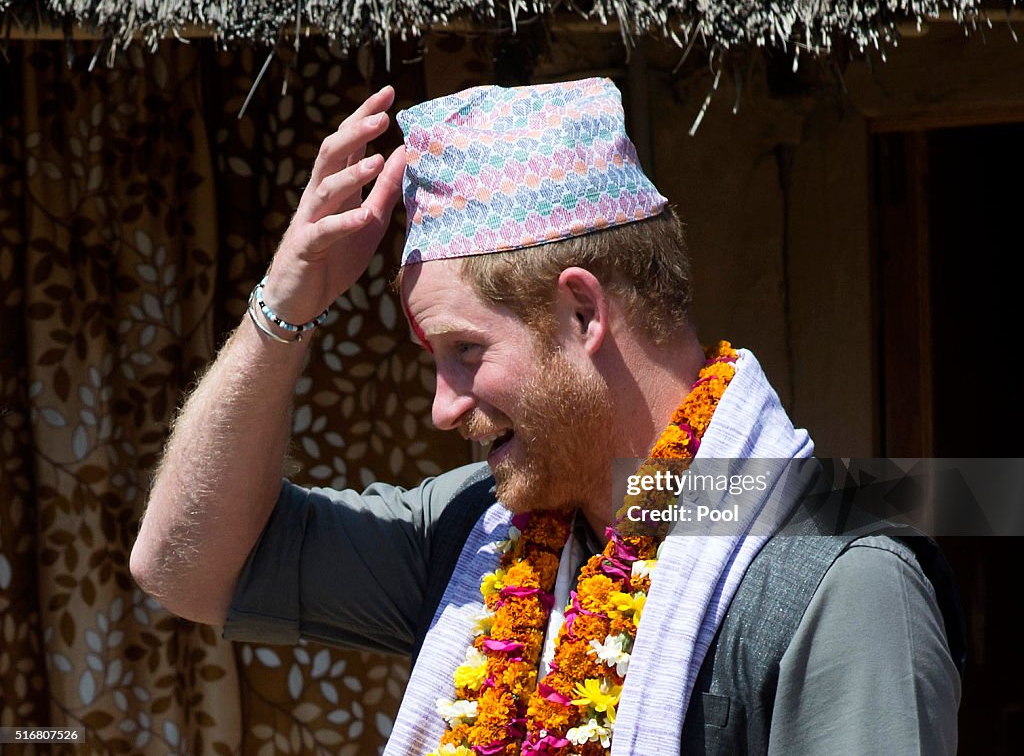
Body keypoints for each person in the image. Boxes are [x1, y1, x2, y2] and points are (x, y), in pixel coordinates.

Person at [131, 79, 962, 755]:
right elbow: (182, 565)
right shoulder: (476, 533)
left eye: (464, 350)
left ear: (580, 315)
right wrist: (284, 306)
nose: (441, 406)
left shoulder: (842, 582)